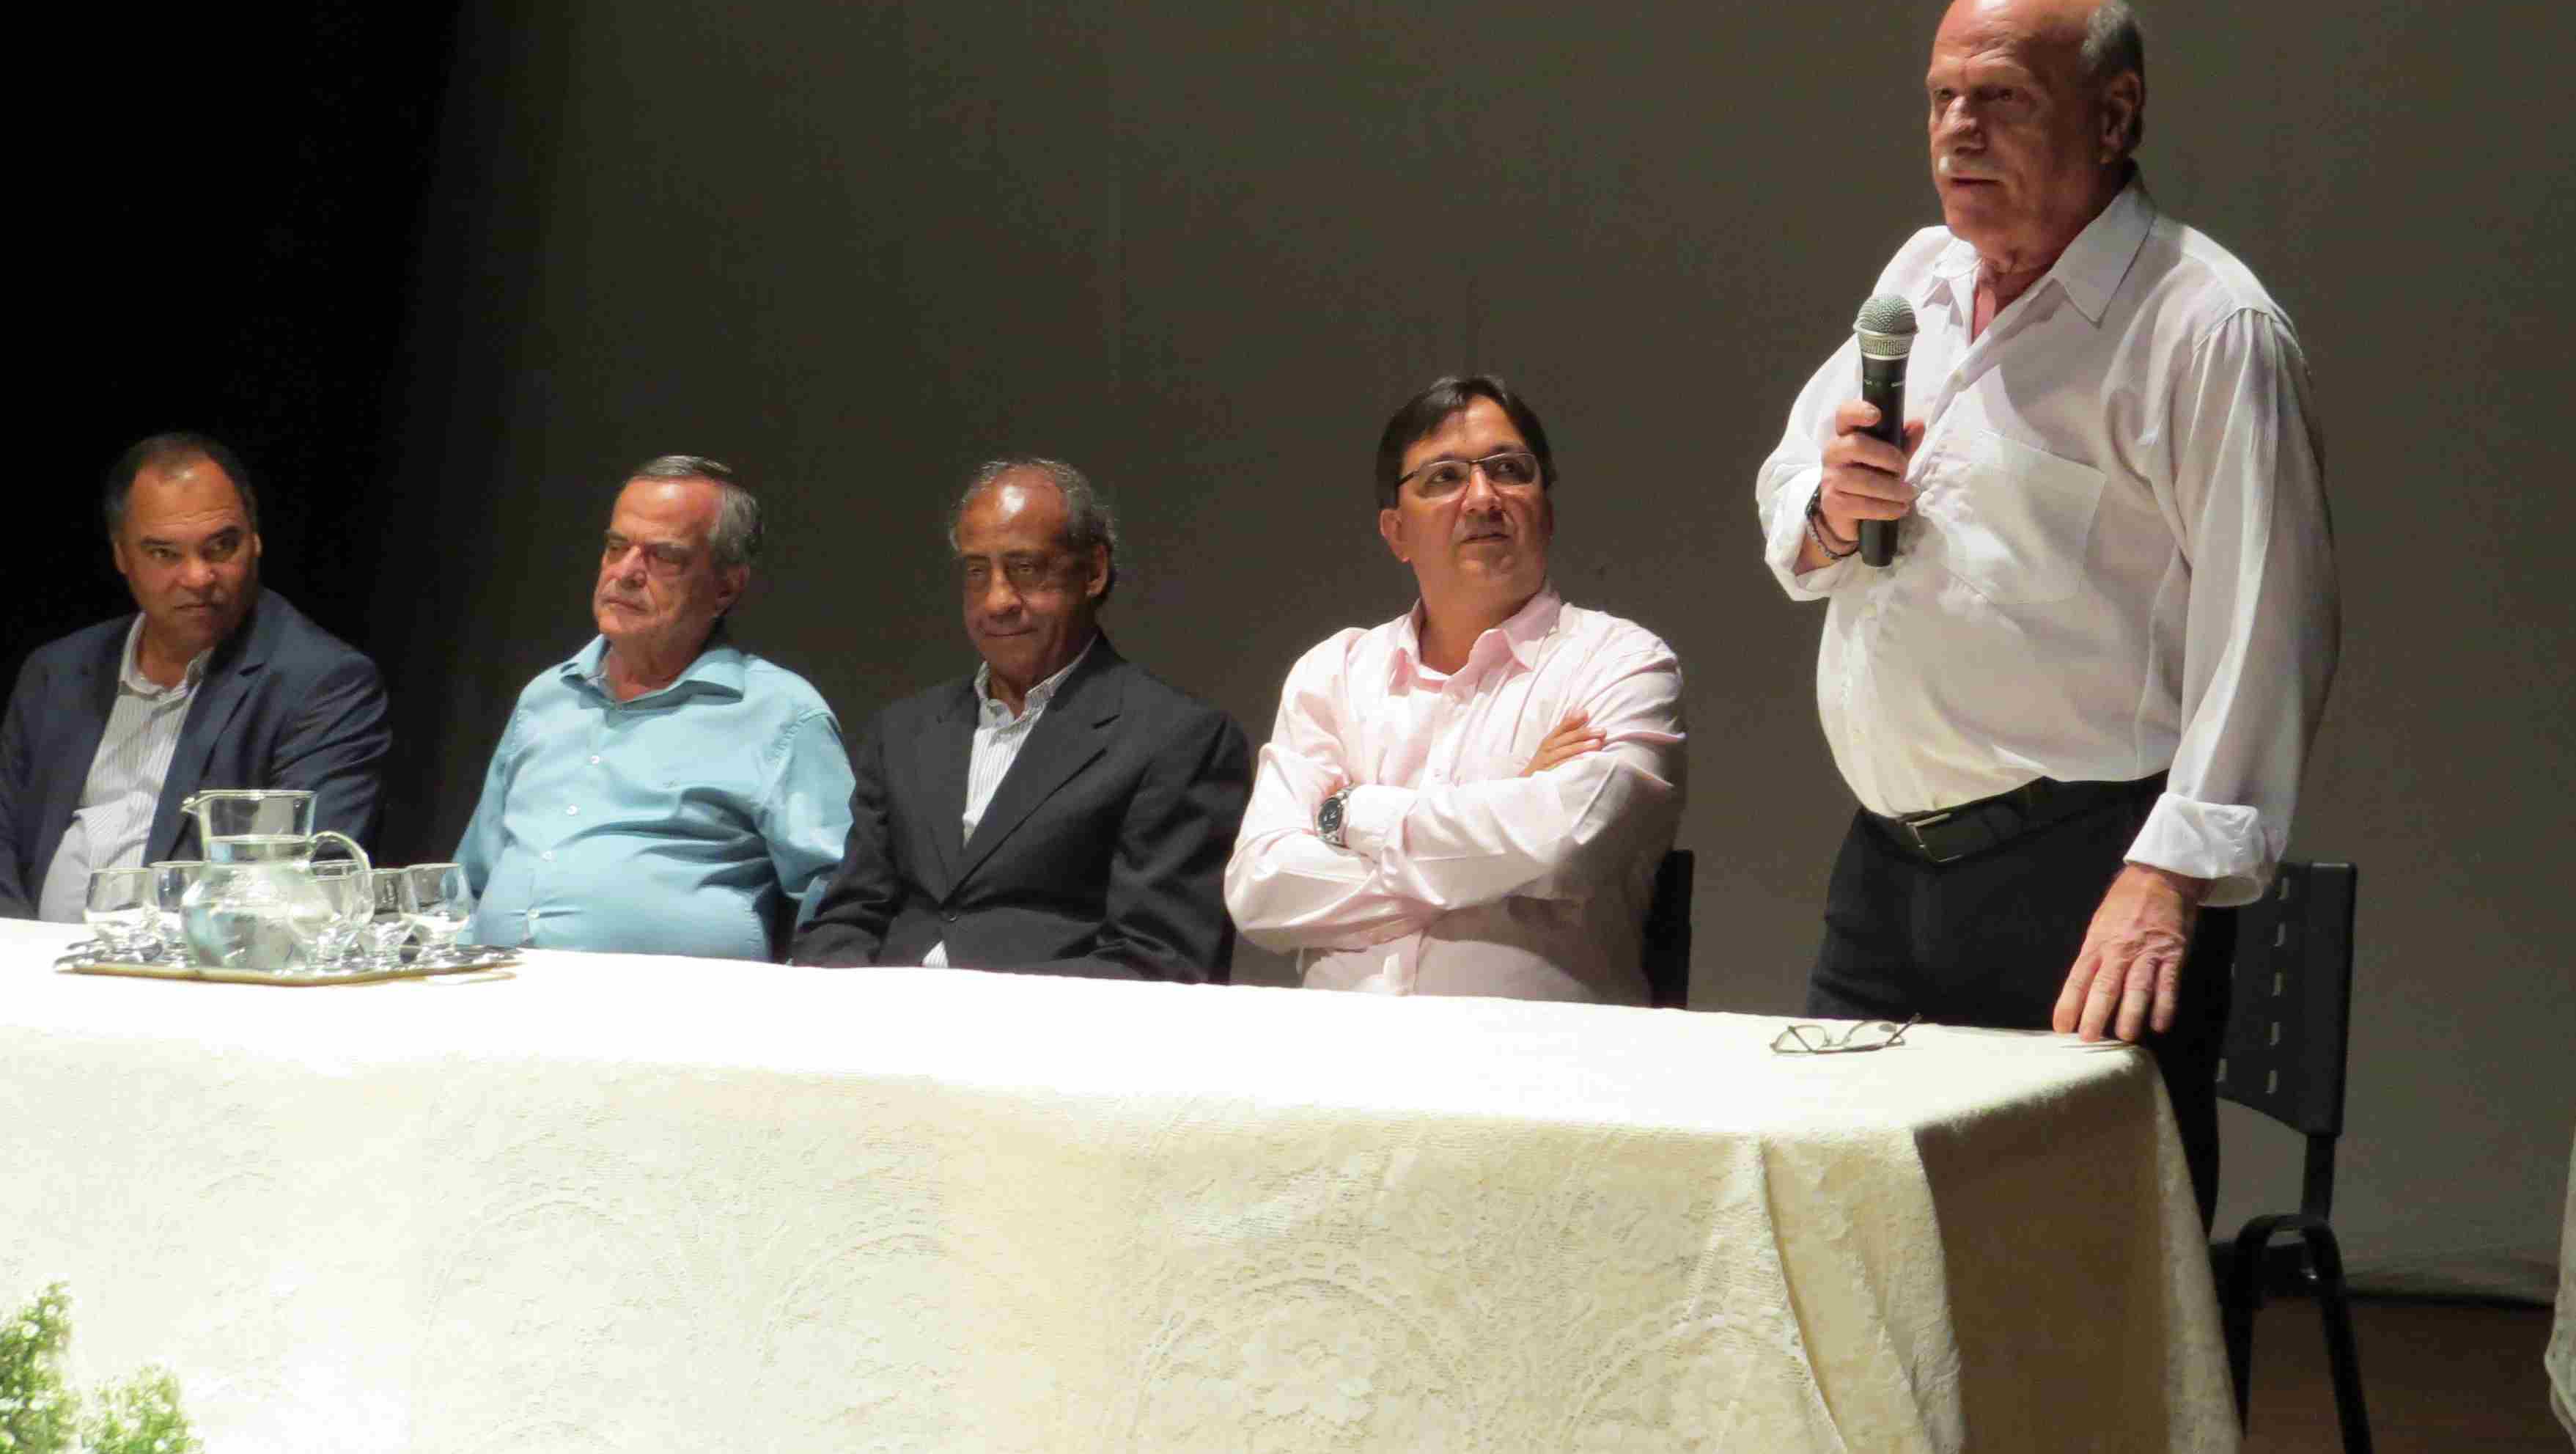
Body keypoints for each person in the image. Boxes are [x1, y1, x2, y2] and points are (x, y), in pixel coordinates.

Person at [1754, 0, 2338, 1221]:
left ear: (2114, 117)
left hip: (2082, 883)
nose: (1958, 130)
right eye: (1941, 98)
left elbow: (2270, 626)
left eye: (2003, 99)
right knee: (1846, 1243)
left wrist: (2167, 879)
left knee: (2082, 1266)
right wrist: (1830, 505)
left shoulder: (2204, 326)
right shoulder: (1922, 277)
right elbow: (1791, 481)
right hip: (1885, 876)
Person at [1228, 376, 1686, 1004]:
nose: (1482, 497)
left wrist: (1352, 815)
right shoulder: (1333, 672)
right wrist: (1505, 823)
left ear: (1547, 509)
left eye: (1509, 470)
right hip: (1341, 1054)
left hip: (1540, 1056)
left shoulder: (1620, 662)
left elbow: (1563, 845)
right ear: (1396, 532)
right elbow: (1262, 890)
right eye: (1443, 478)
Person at [792, 459, 1251, 980]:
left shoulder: (1178, 739)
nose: (997, 601)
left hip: (1045, 1025)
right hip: (878, 1019)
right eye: (977, 571)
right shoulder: (902, 733)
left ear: (1094, 571)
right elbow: (848, 917)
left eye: (1026, 569)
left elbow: (1157, 962)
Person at [455, 455, 851, 961]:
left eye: (663, 556)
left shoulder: (780, 714)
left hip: (672, 1006)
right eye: (616, 547)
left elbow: (842, 892)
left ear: (726, 587)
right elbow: (472, 880)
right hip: (497, 989)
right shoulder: (547, 697)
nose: (625, 573)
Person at [0, 433, 390, 919]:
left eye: (221, 547)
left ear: (256, 539)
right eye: (164, 554)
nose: (198, 577)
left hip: (182, 960)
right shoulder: (56, 673)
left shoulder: (323, 683)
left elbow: (303, 885)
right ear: (122, 556)